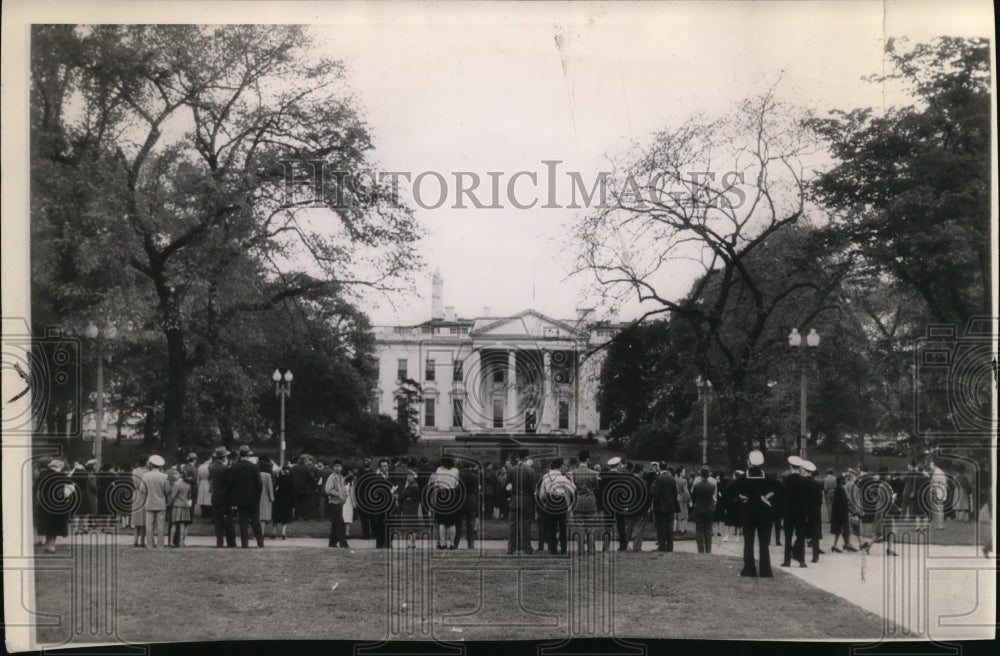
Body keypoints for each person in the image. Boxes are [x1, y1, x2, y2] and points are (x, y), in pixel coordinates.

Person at [727, 450, 782, 577]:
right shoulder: (767, 477)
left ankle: (749, 569)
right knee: (764, 543)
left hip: (749, 512)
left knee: (749, 542)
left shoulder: (744, 477)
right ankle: (765, 571)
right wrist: (768, 496)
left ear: (748, 463)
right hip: (764, 513)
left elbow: (729, 489)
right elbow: (781, 488)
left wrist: (740, 497)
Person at [36, 459, 77, 553]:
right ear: (59, 466)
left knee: (47, 525)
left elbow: (38, 489)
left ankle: (47, 545)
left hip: (44, 503)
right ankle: (51, 546)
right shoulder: (60, 476)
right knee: (54, 526)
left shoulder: (42, 474)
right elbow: (70, 486)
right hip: (56, 504)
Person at [537, 458, 575, 555]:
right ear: (561, 466)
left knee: (551, 528)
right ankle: (563, 550)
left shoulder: (545, 476)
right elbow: (572, 490)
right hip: (561, 502)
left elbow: (541, 495)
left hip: (549, 502)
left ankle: (553, 550)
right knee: (563, 527)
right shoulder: (562, 478)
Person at [780, 455, 810, 568]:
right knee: (801, 536)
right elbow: (807, 498)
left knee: (788, 537)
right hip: (801, 512)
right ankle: (802, 560)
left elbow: (783, 497)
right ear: (799, 467)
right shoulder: (804, 481)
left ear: (790, 466)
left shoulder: (786, 480)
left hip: (789, 512)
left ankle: (787, 561)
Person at [232, 445, 264, 548]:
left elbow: (231, 484)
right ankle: (260, 542)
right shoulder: (254, 467)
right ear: (249, 455)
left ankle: (244, 543)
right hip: (253, 498)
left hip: (240, 498)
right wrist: (257, 496)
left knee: (243, 522)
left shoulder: (235, 467)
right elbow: (259, 484)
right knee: (256, 521)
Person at [568, 450, 599, 554]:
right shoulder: (593, 473)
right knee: (591, 527)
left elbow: (572, 489)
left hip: (578, 502)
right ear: (587, 459)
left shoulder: (573, 473)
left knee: (579, 527)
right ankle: (591, 549)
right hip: (590, 501)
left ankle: (580, 550)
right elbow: (596, 488)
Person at [507, 449, 537, 555]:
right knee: (526, 525)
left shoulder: (511, 470)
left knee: (513, 525)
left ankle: (511, 548)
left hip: (515, 499)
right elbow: (533, 488)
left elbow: (507, 486)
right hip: (526, 500)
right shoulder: (531, 471)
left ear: (519, 457)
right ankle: (527, 548)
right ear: (527, 457)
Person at [428, 455, 461, 549]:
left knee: (441, 521)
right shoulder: (456, 470)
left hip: (441, 494)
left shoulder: (439, 470)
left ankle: (442, 543)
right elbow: (457, 483)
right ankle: (451, 543)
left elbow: (437, 483)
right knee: (452, 522)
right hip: (452, 494)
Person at [209, 447, 236, 548]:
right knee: (228, 519)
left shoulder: (212, 468)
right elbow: (230, 484)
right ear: (224, 457)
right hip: (225, 497)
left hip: (215, 496)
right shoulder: (227, 469)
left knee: (218, 520)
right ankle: (231, 542)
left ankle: (219, 542)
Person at [140, 455, 170, 548]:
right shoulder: (164, 476)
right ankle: (160, 544)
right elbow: (167, 490)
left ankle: (150, 544)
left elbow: (142, 489)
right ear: (160, 466)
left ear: (151, 464)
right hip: (161, 503)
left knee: (149, 525)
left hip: (149, 502)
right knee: (160, 526)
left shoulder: (145, 476)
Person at [801, 460, 824, 563]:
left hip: (804, 511)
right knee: (815, 534)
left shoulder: (803, 483)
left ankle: (799, 555)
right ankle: (816, 556)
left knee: (801, 533)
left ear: (805, 471)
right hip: (815, 512)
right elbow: (820, 500)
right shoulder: (818, 484)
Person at [652, 462, 678, 552]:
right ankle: (670, 547)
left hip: (660, 507)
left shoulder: (659, 478)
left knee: (661, 527)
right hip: (671, 506)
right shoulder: (672, 478)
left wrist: (655, 503)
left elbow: (657, 494)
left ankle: (662, 546)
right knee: (669, 527)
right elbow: (675, 493)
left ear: (659, 467)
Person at [690, 467, 717, 554]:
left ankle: (700, 550)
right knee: (708, 531)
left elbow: (693, 498)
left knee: (699, 530)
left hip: (699, 509)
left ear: (701, 475)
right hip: (709, 510)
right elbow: (713, 497)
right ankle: (708, 550)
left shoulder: (697, 486)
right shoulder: (712, 486)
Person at [325, 459, 350, 548]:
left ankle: (332, 542)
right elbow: (328, 490)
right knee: (340, 523)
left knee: (336, 523)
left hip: (340, 502)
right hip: (333, 502)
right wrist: (338, 494)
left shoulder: (341, 477)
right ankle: (343, 542)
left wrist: (345, 493)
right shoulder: (331, 477)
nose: (337, 468)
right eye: (335, 466)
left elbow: (343, 488)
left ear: (342, 467)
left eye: (339, 466)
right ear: (333, 467)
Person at [455, 461, 480, 549]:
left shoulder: (459, 475)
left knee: (458, 524)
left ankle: (455, 543)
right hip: (471, 499)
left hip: (461, 500)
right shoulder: (475, 476)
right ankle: (471, 544)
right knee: (471, 524)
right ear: (471, 467)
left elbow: (456, 488)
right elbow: (477, 489)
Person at [829, 474, 856, 552]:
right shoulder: (841, 489)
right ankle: (840, 544)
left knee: (840, 529)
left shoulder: (837, 489)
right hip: (842, 513)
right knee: (843, 529)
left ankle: (842, 544)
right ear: (841, 481)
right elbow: (845, 502)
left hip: (837, 512)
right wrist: (851, 510)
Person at [168, 469, 193, 547]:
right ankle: (181, 542)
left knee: (174, 524)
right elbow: (189, 496)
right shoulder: (188, 485)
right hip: (185, 505)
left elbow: (173, 496)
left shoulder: (176, 484)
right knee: (182, 525)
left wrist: (169, 504)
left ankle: (171, 542)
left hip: (177, 505)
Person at [397, 468, 422, 548]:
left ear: (413, 477)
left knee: (412, 526)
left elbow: (403, 495)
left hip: (411, 508)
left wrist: (403, 493)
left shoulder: (413, 486)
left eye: (410, 476)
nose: (408, 477)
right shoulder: (412, 485)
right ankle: (411, 543)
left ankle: (412, 543)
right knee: (410, 526)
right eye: (407, 476)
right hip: (409, 507)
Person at [291, 454, 318, 521]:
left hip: (296, 488)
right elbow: (311, 477)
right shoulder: (307, 468)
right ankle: (305, 517)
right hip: (306, 489)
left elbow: (290, 476)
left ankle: (296, 517)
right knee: (306, 504)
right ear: (305, 460)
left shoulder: (294, 467)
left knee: (297, 503)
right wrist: (315, 481)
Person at [272, 462, 295, 539]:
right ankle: (283, 533)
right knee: (285, 518)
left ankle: (274, 532)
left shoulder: (279, 479)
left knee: (276, 518)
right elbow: (293, 492)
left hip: (278, 500)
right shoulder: (291, 480)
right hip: (287, 501)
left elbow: (275, 489)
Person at [130, 457, 148, 547]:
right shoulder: (147, 472)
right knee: (144, 520)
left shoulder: (135, 471)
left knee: (137, 520)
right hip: (144, 495)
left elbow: (135, 482)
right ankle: (142, 541)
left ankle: (135, 540)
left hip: (136, 494)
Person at [258, 458, 275, 539]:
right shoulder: (267, 475)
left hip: (257, 497)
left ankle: (257, 533)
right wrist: (272, 498)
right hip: (265, 497)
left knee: (257, 516)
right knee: (263, 518)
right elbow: (270, 487)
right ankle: (262, 533)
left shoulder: (256, 474)